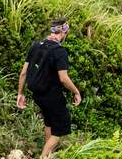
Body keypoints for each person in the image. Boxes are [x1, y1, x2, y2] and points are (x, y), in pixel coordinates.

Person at [17, 18, 83, 158]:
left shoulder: (35, 45)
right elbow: (63, 78)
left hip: (37, 94)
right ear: (64, 32)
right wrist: (76, 92)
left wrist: (20, 93)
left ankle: (48, 155)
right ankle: (43, 156)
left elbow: (23, 72)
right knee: (59, 131)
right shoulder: (60, 51)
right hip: (52, 96)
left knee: (49, 123)